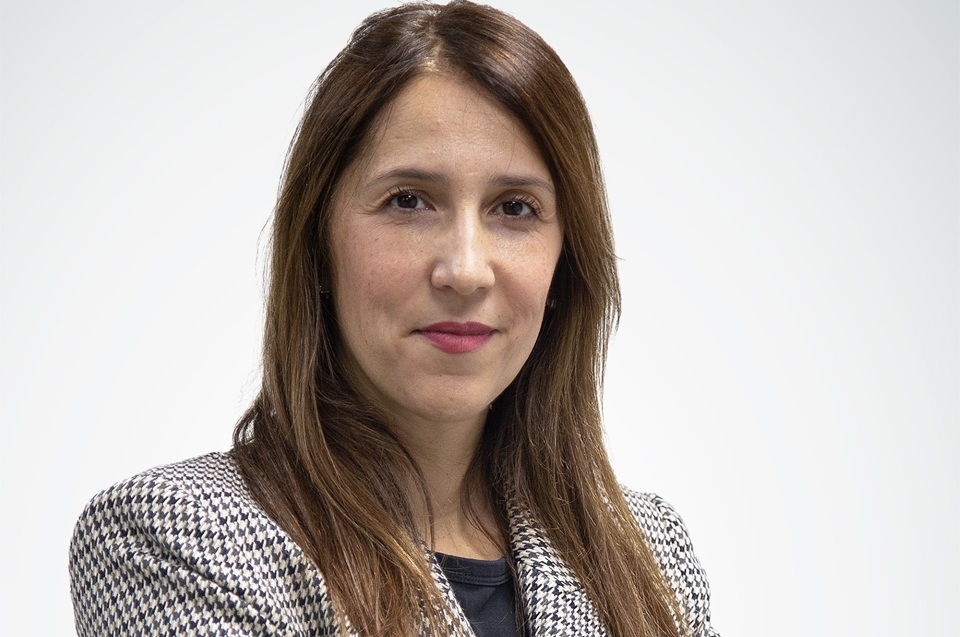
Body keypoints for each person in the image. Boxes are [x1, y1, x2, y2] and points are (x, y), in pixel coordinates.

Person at [69, 2, 719, 635]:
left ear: (564, 262)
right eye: (409, 201)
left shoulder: (648, 555)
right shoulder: (176, 538)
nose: (466, 270)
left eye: (515, 208)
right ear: (319, 246)